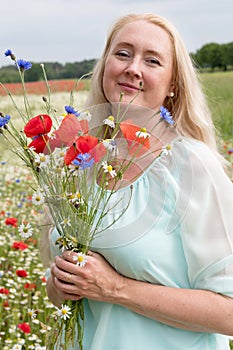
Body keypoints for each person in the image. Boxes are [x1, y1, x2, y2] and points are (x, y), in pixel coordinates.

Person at [42, 13, 233, 350]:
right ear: (105, 67)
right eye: (123, 53)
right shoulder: (81, 159)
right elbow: (63, 294)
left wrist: (115, 288)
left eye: (153, 60)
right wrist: (60, 282)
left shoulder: (191, 166)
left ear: (173, 84)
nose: (133, 68)